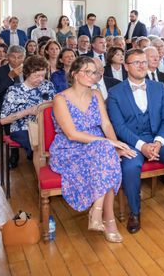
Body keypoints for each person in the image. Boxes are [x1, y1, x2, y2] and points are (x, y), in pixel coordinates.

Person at [50, 56, 135, 243]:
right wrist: (109, 144)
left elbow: (106, 124)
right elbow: (72, 134)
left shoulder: (96, 94)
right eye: (87, 71)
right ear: (74, 73)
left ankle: (97, 213)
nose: (92, 75)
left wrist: (116, 145)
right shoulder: (60, 98)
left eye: (94, 72)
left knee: (106, 157)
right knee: (106, 155)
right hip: (69, 149)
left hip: (98, 147)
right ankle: (107, 219)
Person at [106, 49, 164, 233]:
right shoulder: (114, 93)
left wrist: (158, 142)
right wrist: (142, 146)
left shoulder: (159, 88)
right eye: (136, 62)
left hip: (158, 137)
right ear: (126, 66)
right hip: (132, 141)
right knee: (130, 166)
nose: (142, 65)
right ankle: (134, 212)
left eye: (144, 62)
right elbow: (119, 127)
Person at [0, 56, 55, 167]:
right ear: (26, 73)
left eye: (42, 75)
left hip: (46, 125)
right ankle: (45, 178)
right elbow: (3, 120)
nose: (40, 79)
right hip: (22, 128)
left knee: (57, 141)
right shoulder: (14, 90)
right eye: (36, 76)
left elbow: (56, 106)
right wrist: (27, 111)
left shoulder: (48, 85)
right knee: (39, 145)